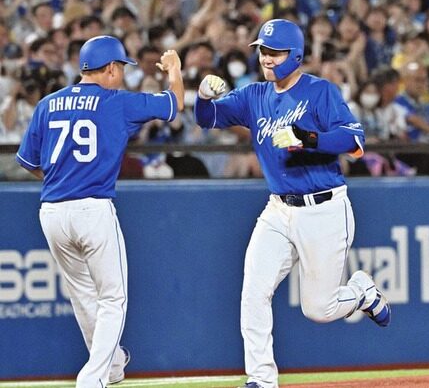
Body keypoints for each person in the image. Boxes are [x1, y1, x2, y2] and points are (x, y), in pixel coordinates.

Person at [194, 19, 391, 388]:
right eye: (263, 51)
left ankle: (361, 291)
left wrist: (310, 138)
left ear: (295, 55)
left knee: (318, 309)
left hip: (325, 209)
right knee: (253, 291)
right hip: (278, 209)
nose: (266, 59)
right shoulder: (254, 96)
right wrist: (202, 96)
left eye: (274, 52)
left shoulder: (320, 92)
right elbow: (207, 119)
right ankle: (261, 379)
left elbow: (355, 140)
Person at [15, 35, 184, 388]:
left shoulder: (47, 104)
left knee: (84, 296)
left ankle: (112, 366)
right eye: (120, 67)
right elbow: (175, 103)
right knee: (112, 299)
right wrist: (175, 71)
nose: (121, 74)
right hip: (92, 209)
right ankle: (92, 378)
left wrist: (63, 178)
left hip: (53, 211)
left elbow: (29, 162)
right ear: (109, 69)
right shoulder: (115, 102)